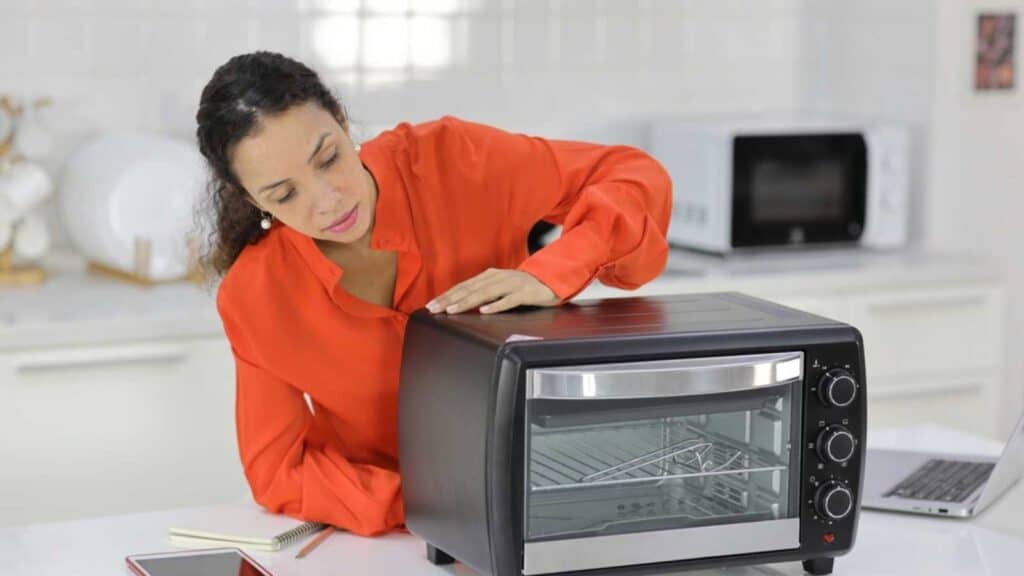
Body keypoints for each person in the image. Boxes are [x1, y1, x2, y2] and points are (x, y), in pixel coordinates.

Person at [194, 51, 673, 537]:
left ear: (341, 120)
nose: (327, 201)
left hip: (568, 495)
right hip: (396, 545)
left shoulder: (453, 160)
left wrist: (555, 271)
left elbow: (631, 174)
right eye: (284, 195)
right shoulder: (255, 297)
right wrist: (432, 502)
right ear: (254, 200)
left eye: (329, 159)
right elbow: (279, 471)